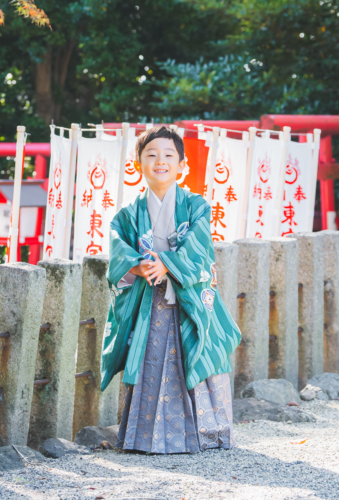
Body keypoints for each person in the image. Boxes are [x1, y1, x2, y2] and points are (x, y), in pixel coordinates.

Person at [101, 124, 241, 454]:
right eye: (151, 155)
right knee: (148, 362)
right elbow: (117, 250)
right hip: (149, 303)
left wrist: (167, 264)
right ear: (138, 164)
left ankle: (206, 434)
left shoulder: (196, 206)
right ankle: (143, 437)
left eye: (168, 155)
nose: (160, 161)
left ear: (182, 165)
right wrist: (137, 266)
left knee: (196, 352)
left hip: (186, 298)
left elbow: (200, 246)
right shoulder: (127, 214)